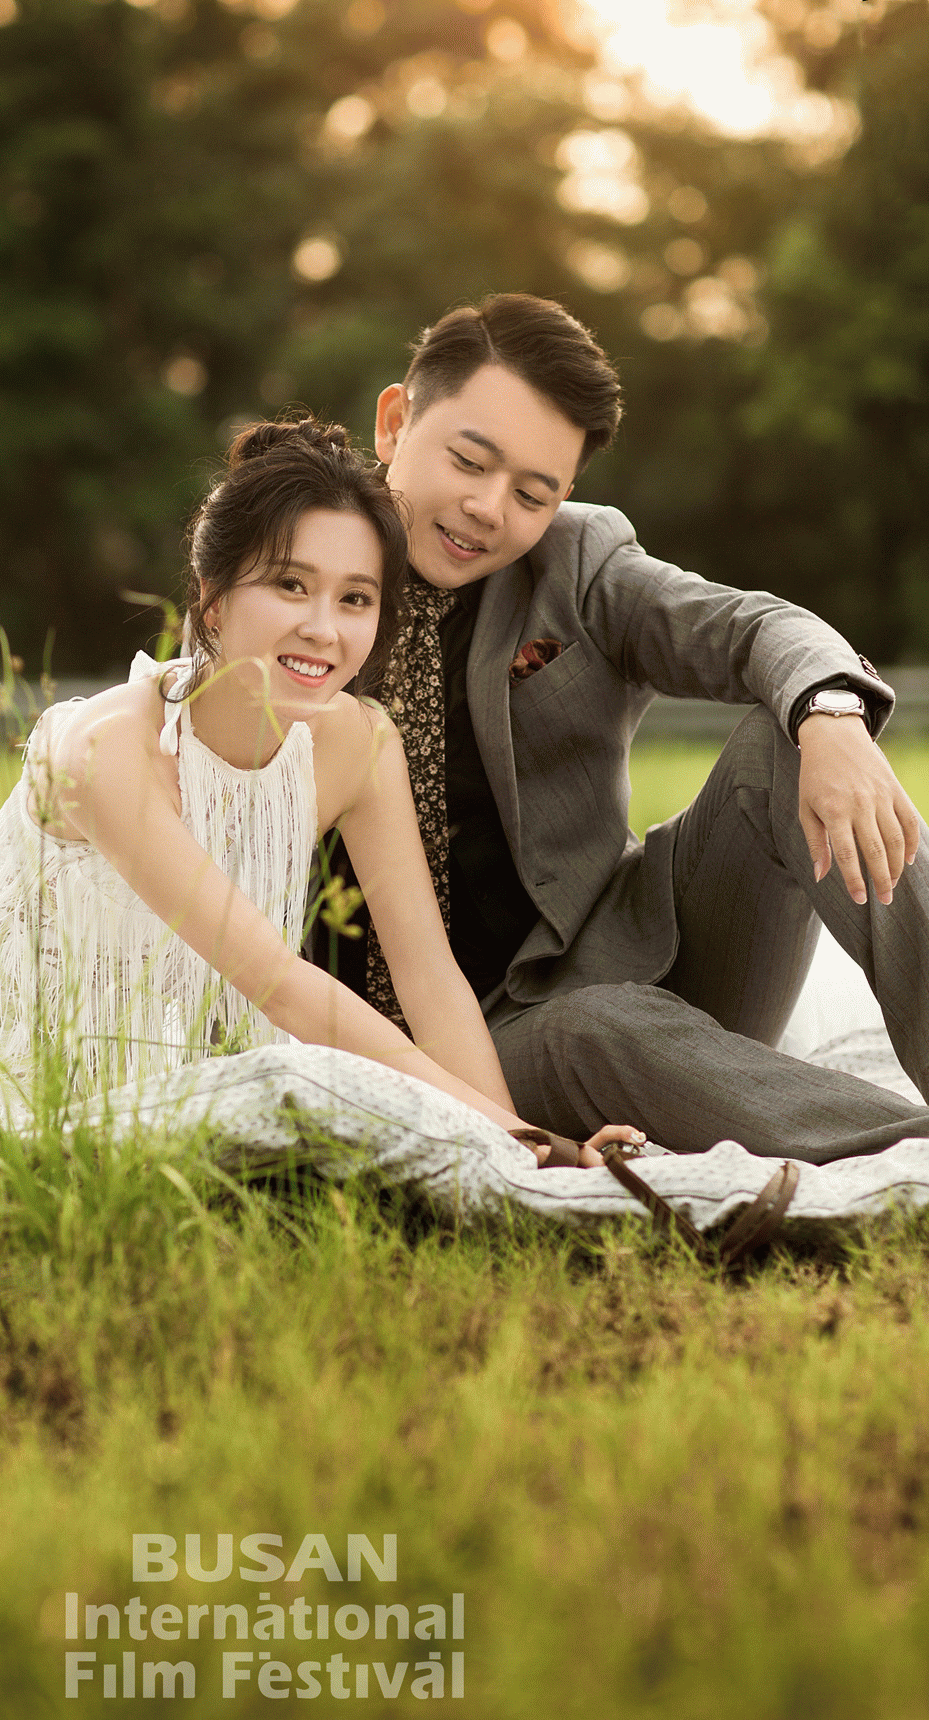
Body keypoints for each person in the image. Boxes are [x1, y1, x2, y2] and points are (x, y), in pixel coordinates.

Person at [0, 419, 639, 1189]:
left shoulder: (357, 744)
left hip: (79, 1061)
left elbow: (429, 976)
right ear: (212, 597)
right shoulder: (113, 747)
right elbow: (278, 984)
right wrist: (524, 1143)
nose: (324, 629)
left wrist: (515, 1142)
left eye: (355, 598)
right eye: (289, 585)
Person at [326, 293, 929, 1165]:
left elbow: (752, 627)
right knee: (599, 1026)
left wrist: (831, 716)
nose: (489, 508)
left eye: (531, 493)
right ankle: (904, 1155)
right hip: (465, 1046)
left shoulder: (575, 562)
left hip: (646, 949)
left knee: (785, 744)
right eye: (468, 461)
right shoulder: (296, 583)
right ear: (394, 422)